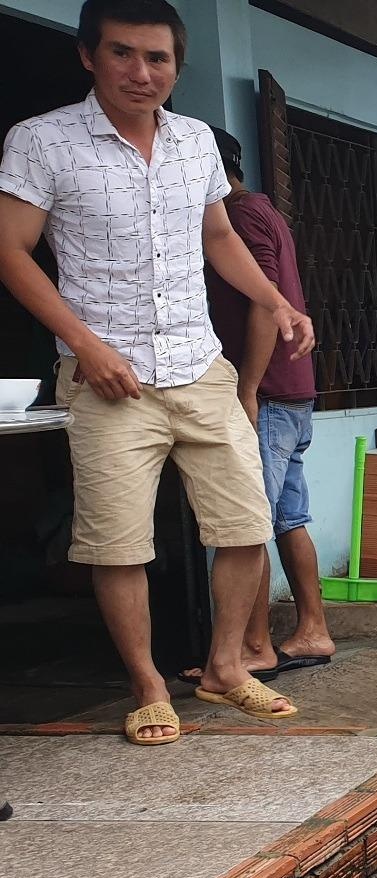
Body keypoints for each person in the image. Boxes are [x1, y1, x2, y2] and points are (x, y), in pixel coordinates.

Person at [0, 0, 314, 744]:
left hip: (199, 363)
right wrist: (86, 345)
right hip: (109, 376)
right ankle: (146, 686)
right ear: (89, 56)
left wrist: (276, 300)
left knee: (246, 520)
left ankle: (227, 668)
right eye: (123, 54)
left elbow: (216, 236)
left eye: (158, 59)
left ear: (177, 65)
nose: (142, 73)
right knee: (118, 541)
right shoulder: (41, 142)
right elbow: (12, 251)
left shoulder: (196, 141)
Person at [172, 127, 333, 684]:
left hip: (266, 391)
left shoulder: (237, 217)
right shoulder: (265, 210)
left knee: (246, 523)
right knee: (288, 516)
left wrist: (246, 390)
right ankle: (312, 628)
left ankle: (254, 646)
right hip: (293, 389)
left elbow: (268, 306)